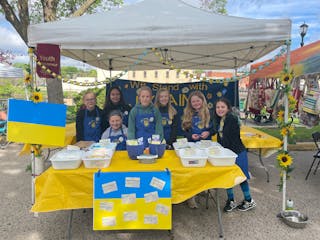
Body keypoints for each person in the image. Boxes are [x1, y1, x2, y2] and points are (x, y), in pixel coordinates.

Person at [212, 97, 256, 212]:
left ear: (228, 108)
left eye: (222, 107)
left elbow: (227, 138)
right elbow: (220, 136)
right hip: (227, 154)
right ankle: (231, 200)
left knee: (241, 177)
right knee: (228, 176)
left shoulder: (230, 119)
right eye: (218, 107)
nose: (220, 109)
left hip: (237, 153)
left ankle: (249, 200)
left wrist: (219, 149)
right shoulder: (221, 119)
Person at [181, 91, 212, 208]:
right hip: (192, 147)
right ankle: (191, 197)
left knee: (203, 170)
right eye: (193, 101)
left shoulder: (209, 113)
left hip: (205, 146)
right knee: (193, 171)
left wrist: (208, 132)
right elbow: (185, 131)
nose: (196, 103)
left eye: (198, 100)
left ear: (203, 100)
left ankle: (202, 189)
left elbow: (213, 128)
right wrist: (190, 136)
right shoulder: (187, 114)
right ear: (190, 103)